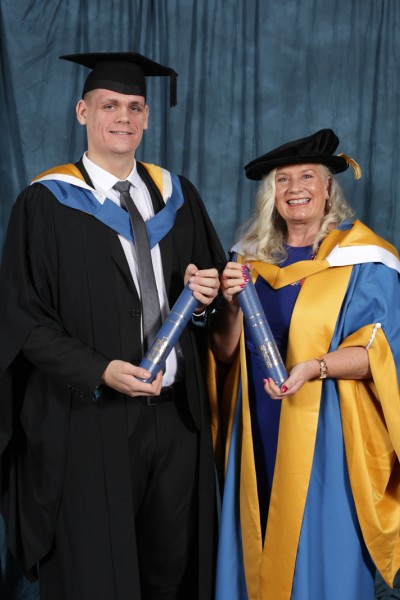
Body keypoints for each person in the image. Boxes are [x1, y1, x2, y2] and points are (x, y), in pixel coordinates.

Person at [0, 51, 226, 600]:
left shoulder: (179, 196)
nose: (122, 117)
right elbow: (21, 320)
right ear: (83, 112)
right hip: (90, 420)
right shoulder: (46, 203)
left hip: (176, 421)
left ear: (147, 117)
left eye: (134, 106)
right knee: (96, 575)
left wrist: (206, 300)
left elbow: (209, 295)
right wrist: (99, 370)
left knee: (171, 570)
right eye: (109, 105)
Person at [209, 129, 400, 600]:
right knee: (257, 534)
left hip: (328, 430)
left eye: (308, 176)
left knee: (323, 550)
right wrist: (229, 303)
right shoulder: (249, 258)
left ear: (329, 186)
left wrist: (315, 367)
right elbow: (223, 352)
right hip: (258, 423)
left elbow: (381, 353)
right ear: (270, 193)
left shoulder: (365, 260)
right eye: (283, 179)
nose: (296, 188)